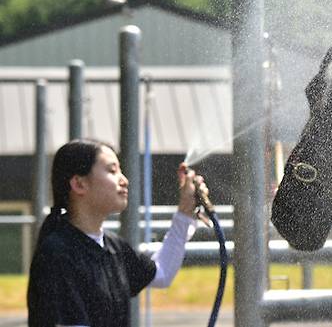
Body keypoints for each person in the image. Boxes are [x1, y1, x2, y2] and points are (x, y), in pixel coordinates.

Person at [27, 138, 208, 327]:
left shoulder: (114, 247)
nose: (124, 180)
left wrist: (185, 213)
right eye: (112, 171)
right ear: (79, 184)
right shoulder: (56, 254)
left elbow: (162, 273)